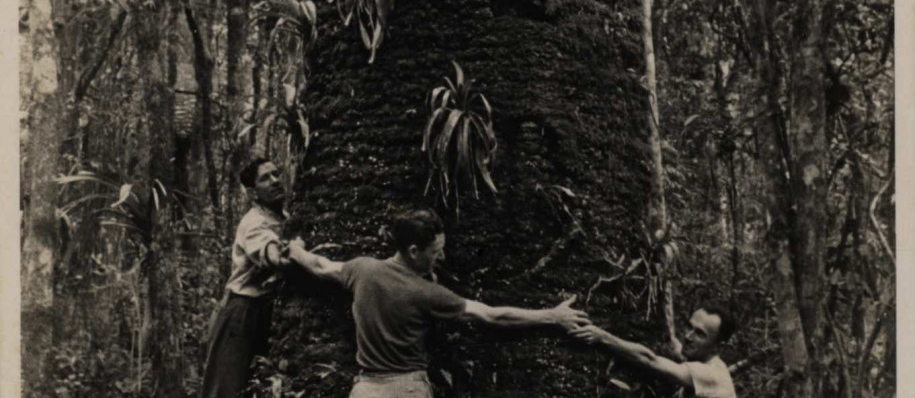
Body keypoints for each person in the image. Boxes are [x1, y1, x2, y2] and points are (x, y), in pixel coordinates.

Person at [286, 208, 590, 398]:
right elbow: (492, 316)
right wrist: (552, 316)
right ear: (414, 251)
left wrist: (295, 249)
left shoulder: (362, 270)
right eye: (436, 251)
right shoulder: (427, 293)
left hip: (365, 390)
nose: (441, 257)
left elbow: (320, 266)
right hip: (407, 389)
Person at [201, 158, 294, 398]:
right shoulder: (253, 222)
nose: (275, 181)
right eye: (266, 178)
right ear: (253, 193)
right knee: (227, 387)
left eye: (276, 174)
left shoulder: (284, 216)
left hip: (266, 311)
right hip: (242, 312)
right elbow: (268, 251)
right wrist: (284, 255)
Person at [570, 305, 737, 398]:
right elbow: (677, 345)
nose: (688, 336)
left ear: (718, 346)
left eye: (700, 334)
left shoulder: (712, 374)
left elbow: (650, 360)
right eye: (689, 327)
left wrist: (602, 337)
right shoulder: (701, 362)